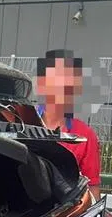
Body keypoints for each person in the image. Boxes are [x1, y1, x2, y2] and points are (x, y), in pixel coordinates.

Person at [35, 49, 101, 198]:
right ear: (42, 85)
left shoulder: (86, 135)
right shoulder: (21, 123)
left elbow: (93, 187)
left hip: (65, 215)